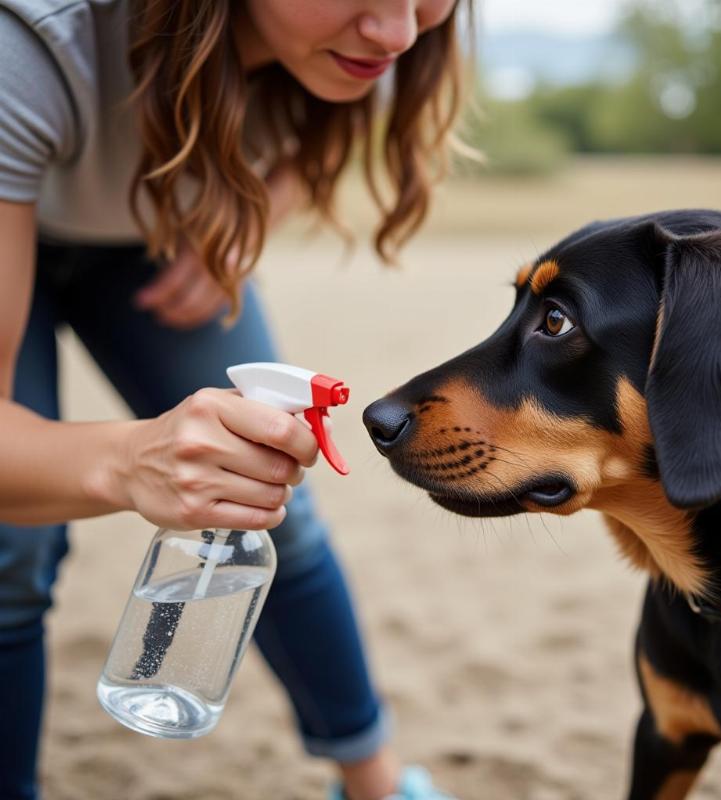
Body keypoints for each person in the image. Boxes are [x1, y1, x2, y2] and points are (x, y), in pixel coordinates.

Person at [0, 1, 470, 798]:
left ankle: (376, 782)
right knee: (11, 552)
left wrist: (248, 225)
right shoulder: (35, 43)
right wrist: (126, 462)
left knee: (273, 504)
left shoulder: (374, 42)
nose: (397, 32)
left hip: (155, 241)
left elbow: (319, 143)